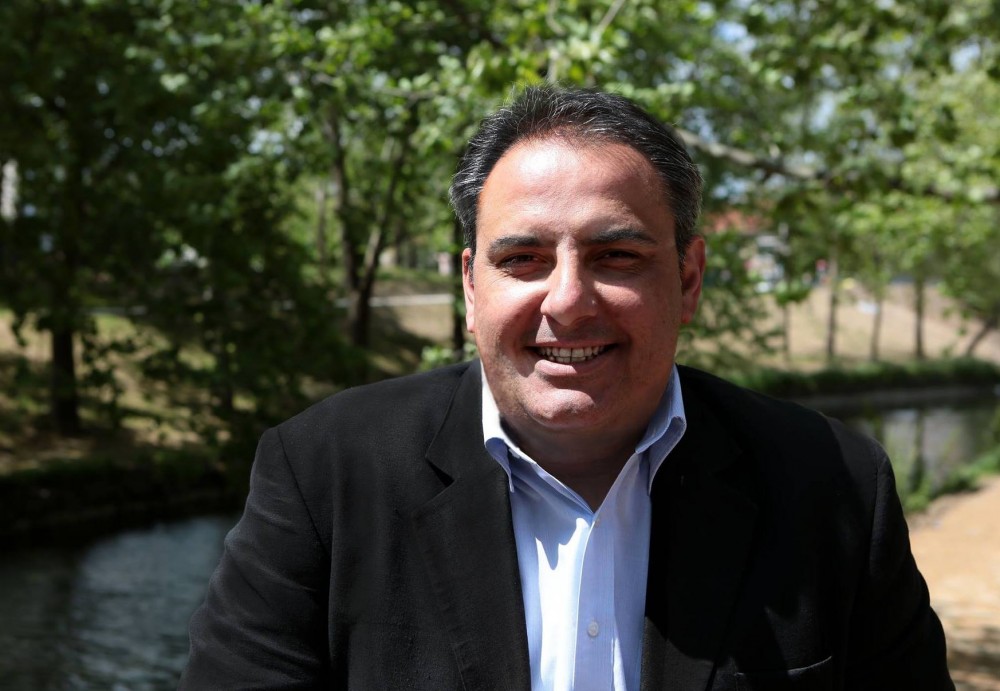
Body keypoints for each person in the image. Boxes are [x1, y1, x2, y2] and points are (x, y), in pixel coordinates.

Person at [180, 86, 953, 690]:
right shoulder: (321, 474)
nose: (568, 300)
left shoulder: (834, 484)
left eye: (616, 256)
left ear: (688, 279)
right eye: (523, 259)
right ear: (471, 286)